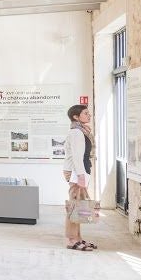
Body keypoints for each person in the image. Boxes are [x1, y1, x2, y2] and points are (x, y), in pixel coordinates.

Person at [62, 103, 96, 251]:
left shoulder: (82, 130)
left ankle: (78, 237)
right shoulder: (76, 132)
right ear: (76, 117)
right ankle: (71, 240)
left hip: (81, 171)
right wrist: (81, 176)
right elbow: (77, 156)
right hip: (76, 172)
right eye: (85, 113)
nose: (89, 115)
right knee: (75, 206)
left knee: (80, 206)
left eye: (89, 113)